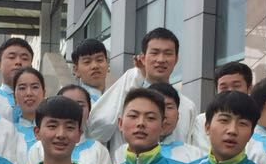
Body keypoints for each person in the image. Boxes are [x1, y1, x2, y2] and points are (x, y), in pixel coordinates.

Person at [86, 27, 206, 156]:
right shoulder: (127, 88)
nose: (161, 59)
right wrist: (136, 76)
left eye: (168, 53)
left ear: (176, 59)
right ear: (143, 58)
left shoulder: (187, 106)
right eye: (155, 53)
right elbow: (96, 129)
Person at [146, 81, 205, 164]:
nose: (163, 114)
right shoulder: (130, 153)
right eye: (157, 106)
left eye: (169, 107)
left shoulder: (195, 156)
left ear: (178, 116)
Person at [0, 37, 35, 122]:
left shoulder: (40, 103)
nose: (18, 62)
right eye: (12, 57)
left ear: (31, 67)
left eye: (24, 58)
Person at [12, 65, 47, 151]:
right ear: (14, 96)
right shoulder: (8, 133)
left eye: (35, 87)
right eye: (22, 88)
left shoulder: (54, 130)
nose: (29, 93)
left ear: (44, 93)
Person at [70, 37, 108, 103]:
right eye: (87, 62)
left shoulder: (121, 97)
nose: (95, 66)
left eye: (99, 60)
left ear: (107, 64)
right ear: (76, 70)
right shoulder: (71, 102)